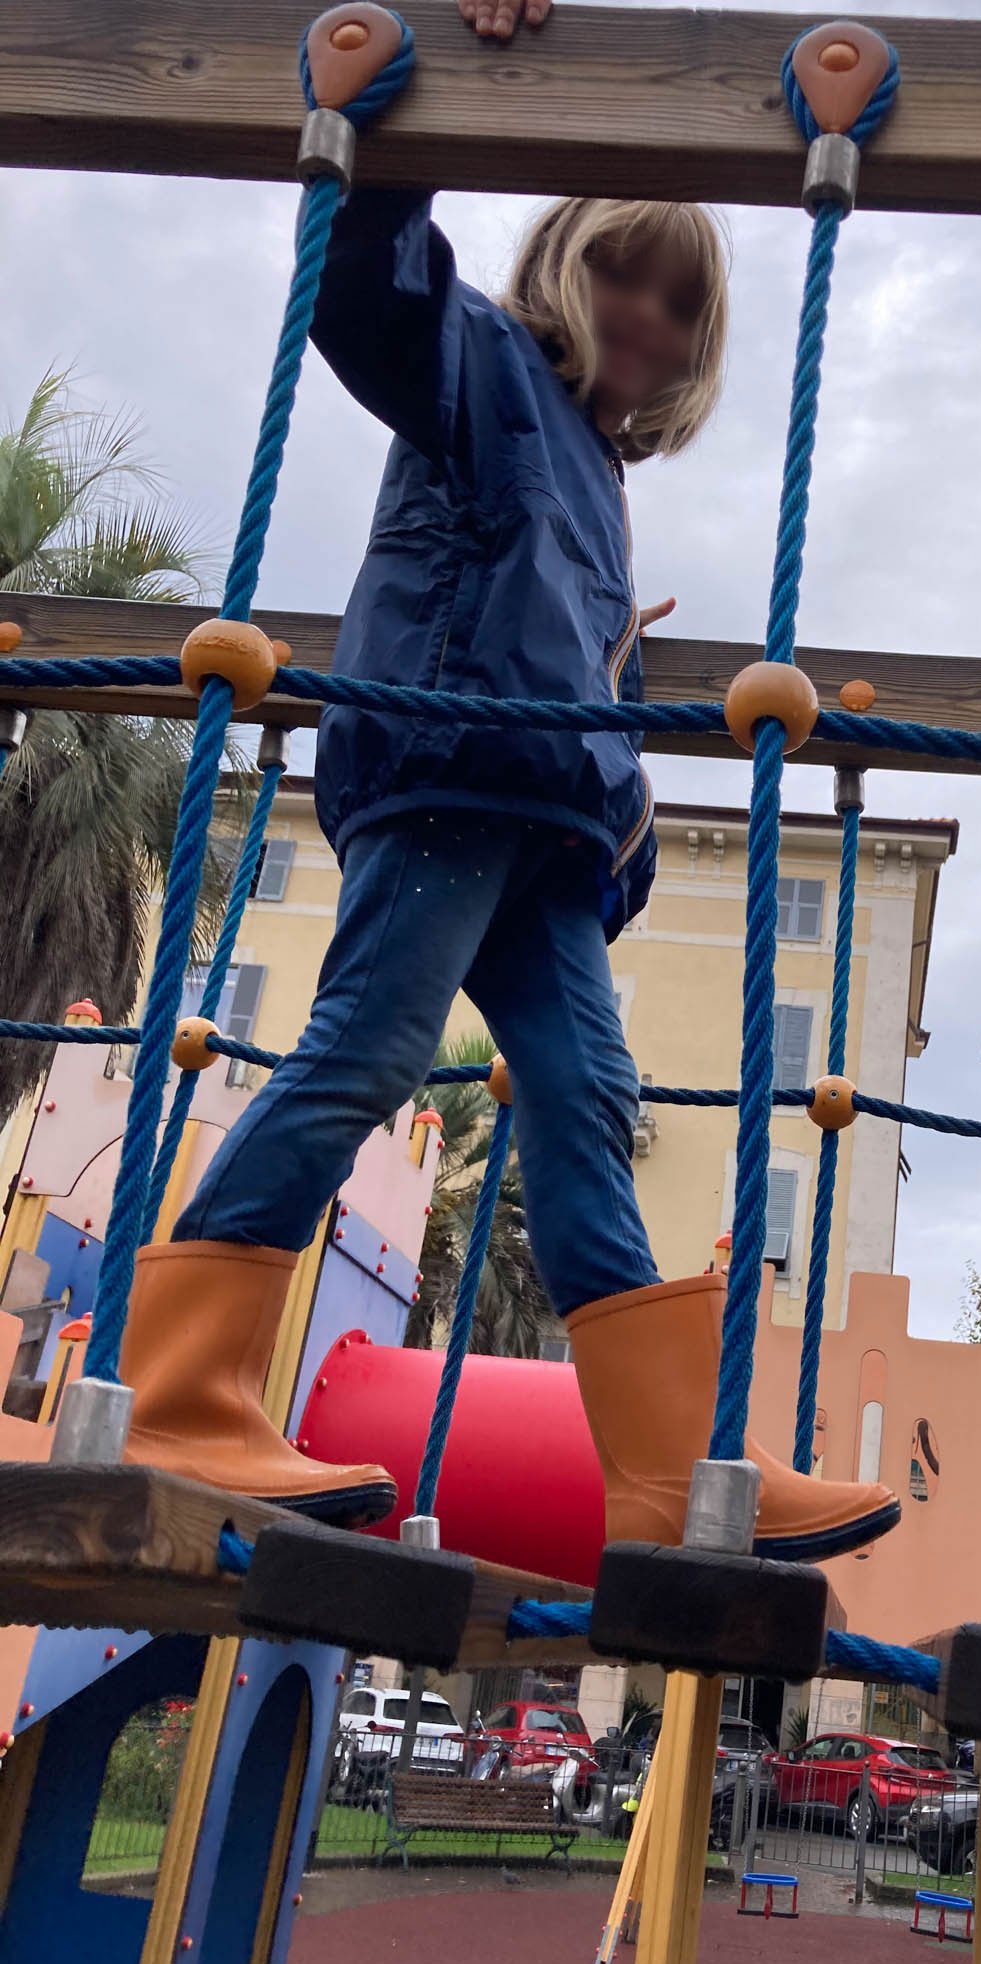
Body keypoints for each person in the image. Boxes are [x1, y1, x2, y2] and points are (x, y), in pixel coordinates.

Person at [115, 0, 898, 1565]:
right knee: (369, 1048)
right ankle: (179, 1395)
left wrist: (619, 793)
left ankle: (671, 1471)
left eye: (681, 304)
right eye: (624, 274)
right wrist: (402, 125)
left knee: (593, 1104)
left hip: (544, 831)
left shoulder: (602, 477)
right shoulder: (479, 363)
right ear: (560, 265)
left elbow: (576, 664)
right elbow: (369, 290)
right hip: (448, 778)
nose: (648, 318)